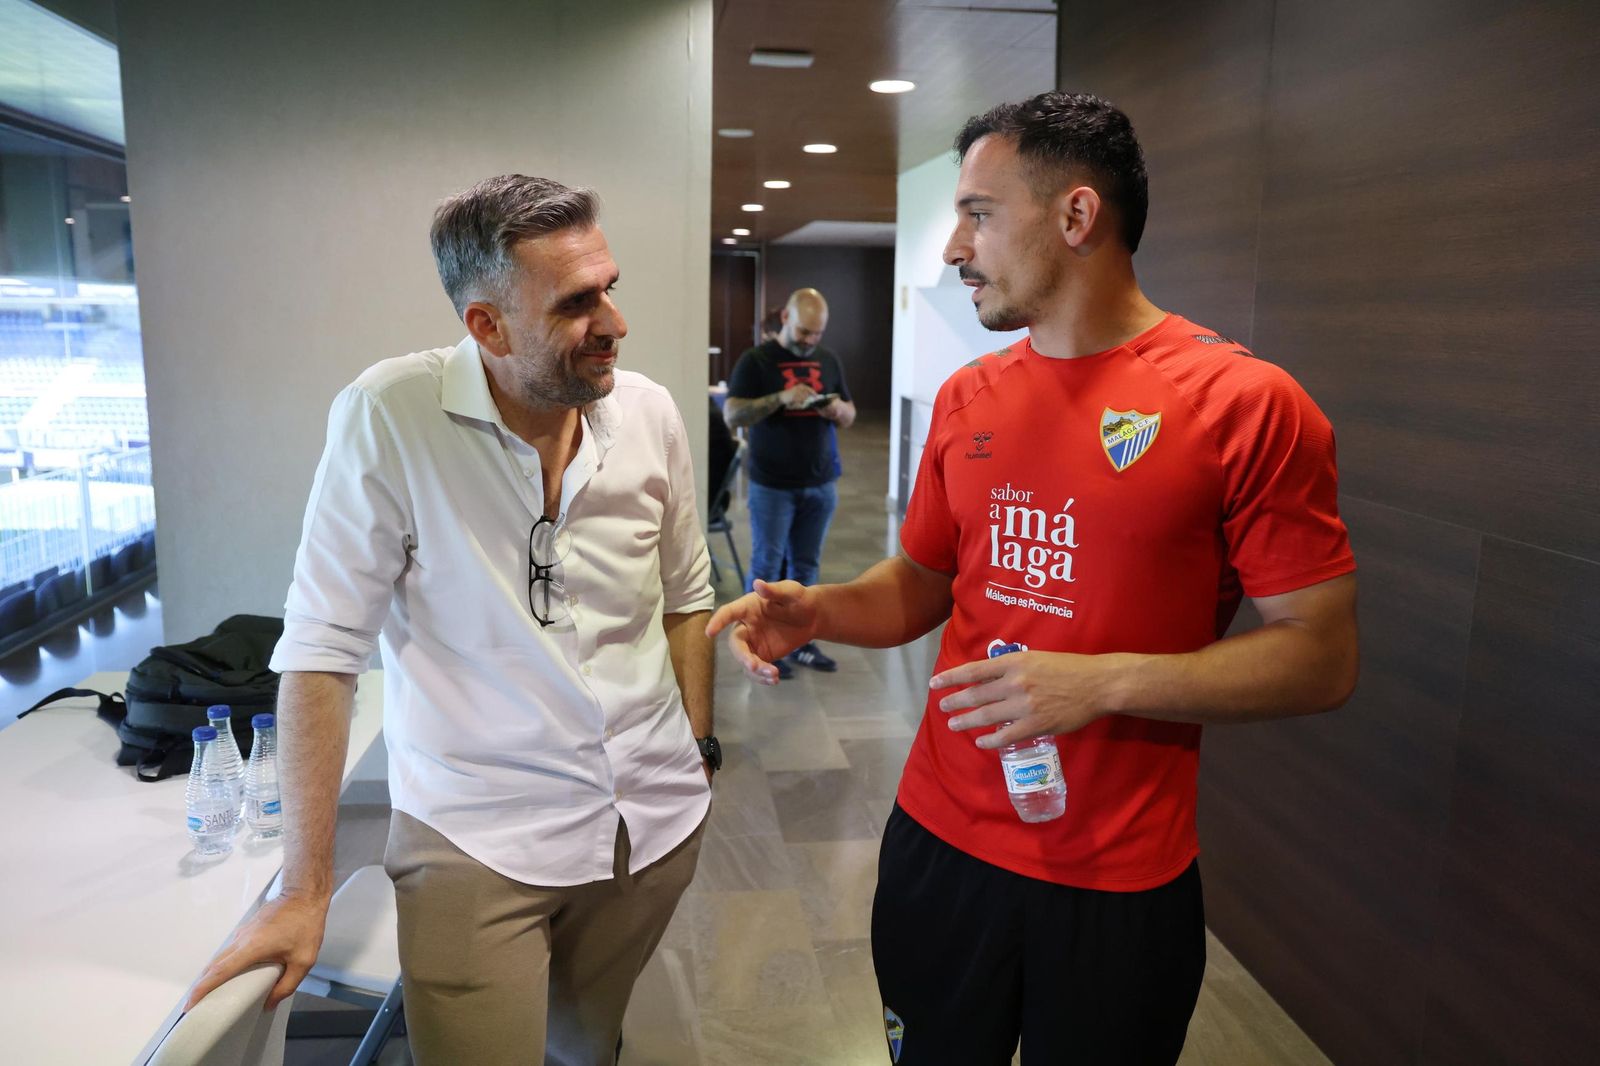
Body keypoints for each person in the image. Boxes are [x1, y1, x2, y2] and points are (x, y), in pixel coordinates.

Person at [708, 92, 1359, 1066]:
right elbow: (924, 582)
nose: (951, 250)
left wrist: (1102, 681)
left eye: (975, 213)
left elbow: (1321, 655)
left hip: (1117, 878)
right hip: (939, 840)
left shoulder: (1244, 404)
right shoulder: (971, 395)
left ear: (1075, 215)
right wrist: (822, 610)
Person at [185, 175, 720, 1066]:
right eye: (578, 303)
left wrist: (697, 754)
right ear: (487, 326)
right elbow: (321, 652)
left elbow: (686, 593)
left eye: (610, 288)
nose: (616, 323)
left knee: (589, 1047)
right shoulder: (391, 416)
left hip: (651, 824)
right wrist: (302, 888)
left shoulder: (651, 412)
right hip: (478, 841)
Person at [723, 287, 856, 678]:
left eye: (817, 334)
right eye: (804, 332)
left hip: (820, 482)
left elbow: (850, 413)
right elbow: (732, 414)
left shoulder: (828, 359)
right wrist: (781, 397)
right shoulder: (756, 361)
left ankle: (799, 640)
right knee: (766, 565)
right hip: (772, 484)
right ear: (785, 319)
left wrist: (835, 409)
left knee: (806, 568)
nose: (810, 341)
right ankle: (760, 639)